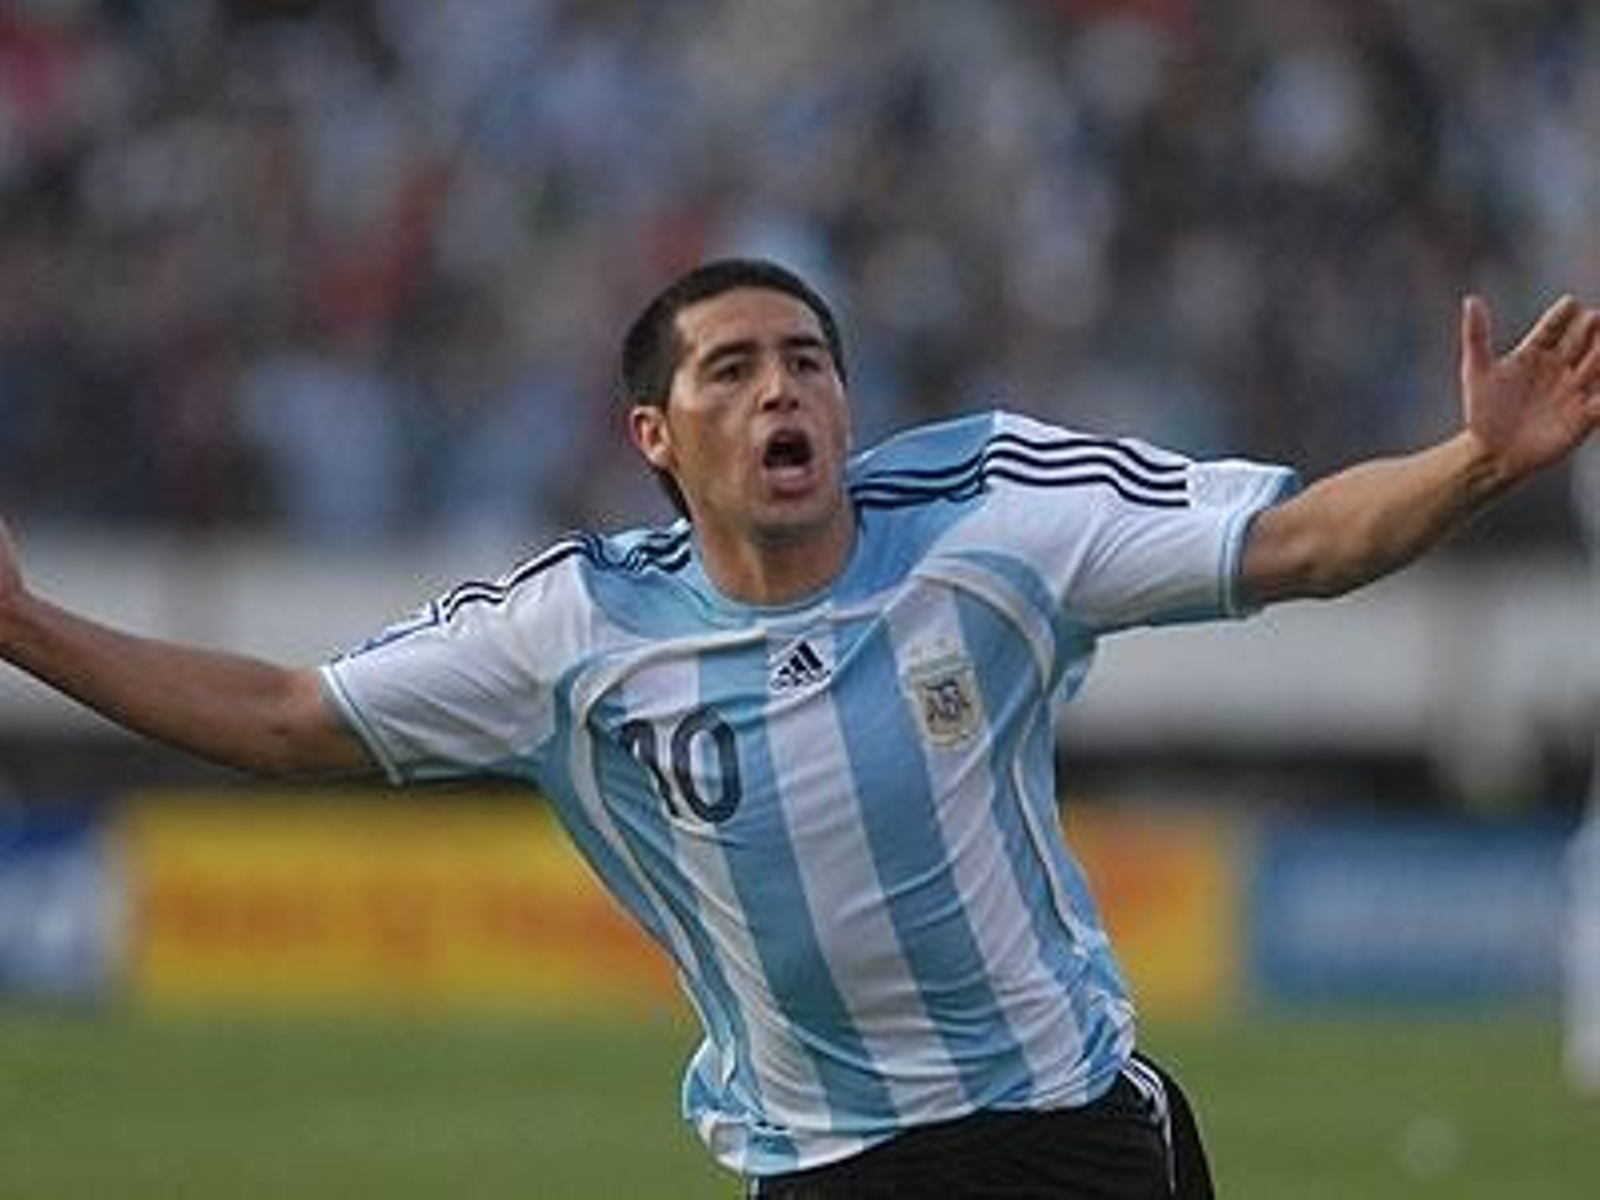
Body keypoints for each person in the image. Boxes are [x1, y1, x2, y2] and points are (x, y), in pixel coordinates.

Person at [2, 258, 1598, 1197]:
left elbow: (1306, 543)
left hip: (1074, 1139)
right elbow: (291, 718)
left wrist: (1470, 466)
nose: (786, 394)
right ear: (657, 434)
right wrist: (27, 625)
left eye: (810, 365)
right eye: (735, 371)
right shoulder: (577, 631)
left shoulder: (991, 515)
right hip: (829, 1166)